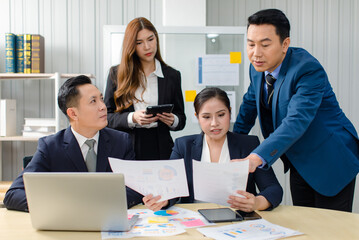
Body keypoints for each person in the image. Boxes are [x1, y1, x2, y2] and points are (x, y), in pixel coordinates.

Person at [233, 9, 359, 212]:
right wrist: (232, 142)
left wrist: (256, 157)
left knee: (330, 229)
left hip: (331, 158)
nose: (256, 53)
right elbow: (249, 105)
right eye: (250, 44)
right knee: (304, 222)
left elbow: (296, 121)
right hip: (299, 159)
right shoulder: (256, 69)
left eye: (265, 45)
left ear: (285, 44)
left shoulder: (307, 69)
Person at [4, 75, 143, 212]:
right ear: (73, 113)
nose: (103, 107)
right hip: (66, 224)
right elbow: (13, 195)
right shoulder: (50, 146)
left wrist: (96, 204)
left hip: (109, 221)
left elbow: (134, 188)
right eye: (93, 101)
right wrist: (64, 204)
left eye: (101, 99)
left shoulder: (121, 141)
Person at [150, 87, 282, 213]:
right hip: (195, 221)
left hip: (238, 220)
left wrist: (256, 203)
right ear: (197, 117)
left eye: (221, 115)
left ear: (229, 112)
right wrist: (163, 200)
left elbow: (274, 189)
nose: (214, 123)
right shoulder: (183, 146)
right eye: (206, 117)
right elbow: (171, 188)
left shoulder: (248, 144)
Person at [105, 17, 186, 160]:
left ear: (156, 39)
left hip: (162, 148)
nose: (147, 47)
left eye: (150, 39)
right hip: (128, 146)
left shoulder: (172, 75)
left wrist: (172, 120)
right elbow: (107, 117)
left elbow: (181, 119)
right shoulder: (116, 74)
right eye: (139, 43)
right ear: (131, 46)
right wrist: (132, 118)